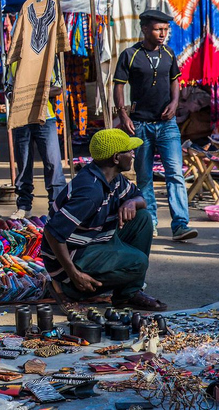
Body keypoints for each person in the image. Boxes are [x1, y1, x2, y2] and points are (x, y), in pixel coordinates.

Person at [41, 129, 167, 311]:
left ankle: (128, 294)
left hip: (96, 239)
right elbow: (52, 233)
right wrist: (73, 274)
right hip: (75, 253)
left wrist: (132, 202)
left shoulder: (114, 179)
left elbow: (141, 199)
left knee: (142, 218)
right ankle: (67, 288)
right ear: (116, 158)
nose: (133, 154)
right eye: (129, 151)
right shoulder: (91, 192)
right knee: (138, 263)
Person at [114, 9, 197, 242]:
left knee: (175, 173)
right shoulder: (129, 55)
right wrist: (123, 115)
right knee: (144, 176)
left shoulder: (169, 54)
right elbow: (118, 86)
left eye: (166, 30)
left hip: (167, 125)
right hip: (139, 124)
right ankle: (149, 223)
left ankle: (180, 225)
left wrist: (174, 102)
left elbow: (175, 82)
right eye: (158, 29)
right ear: (144, 29)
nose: (163, 33)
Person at [11, 83, 67, 219]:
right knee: (23, 164)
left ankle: (56, 206)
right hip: (22, 118)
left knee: (53, 163)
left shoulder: (47, 63)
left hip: (46, 118)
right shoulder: (14, 63)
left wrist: (34, 92)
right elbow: (9, 91)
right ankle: (24, 206)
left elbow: (58, 89)